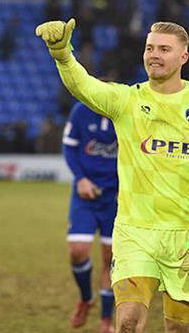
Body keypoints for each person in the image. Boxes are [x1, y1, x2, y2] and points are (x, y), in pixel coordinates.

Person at [36, 19, 189, 333]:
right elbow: (84, 86)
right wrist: (62, 54)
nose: (154, 54)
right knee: (126, 323)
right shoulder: (127, 101)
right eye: (150, 47)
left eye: (164, 49)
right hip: (134, 233)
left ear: (184, 57)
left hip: (187, 235)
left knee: (179, 328)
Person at [63, 101, 119, 332]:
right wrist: (80, 178)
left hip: (116, 198)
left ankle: (106, 321)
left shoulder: (125, 111)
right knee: (77, 251)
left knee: (110, 259)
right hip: (85, 195)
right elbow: (69, 147)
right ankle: (86, 298)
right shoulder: (80, 110)